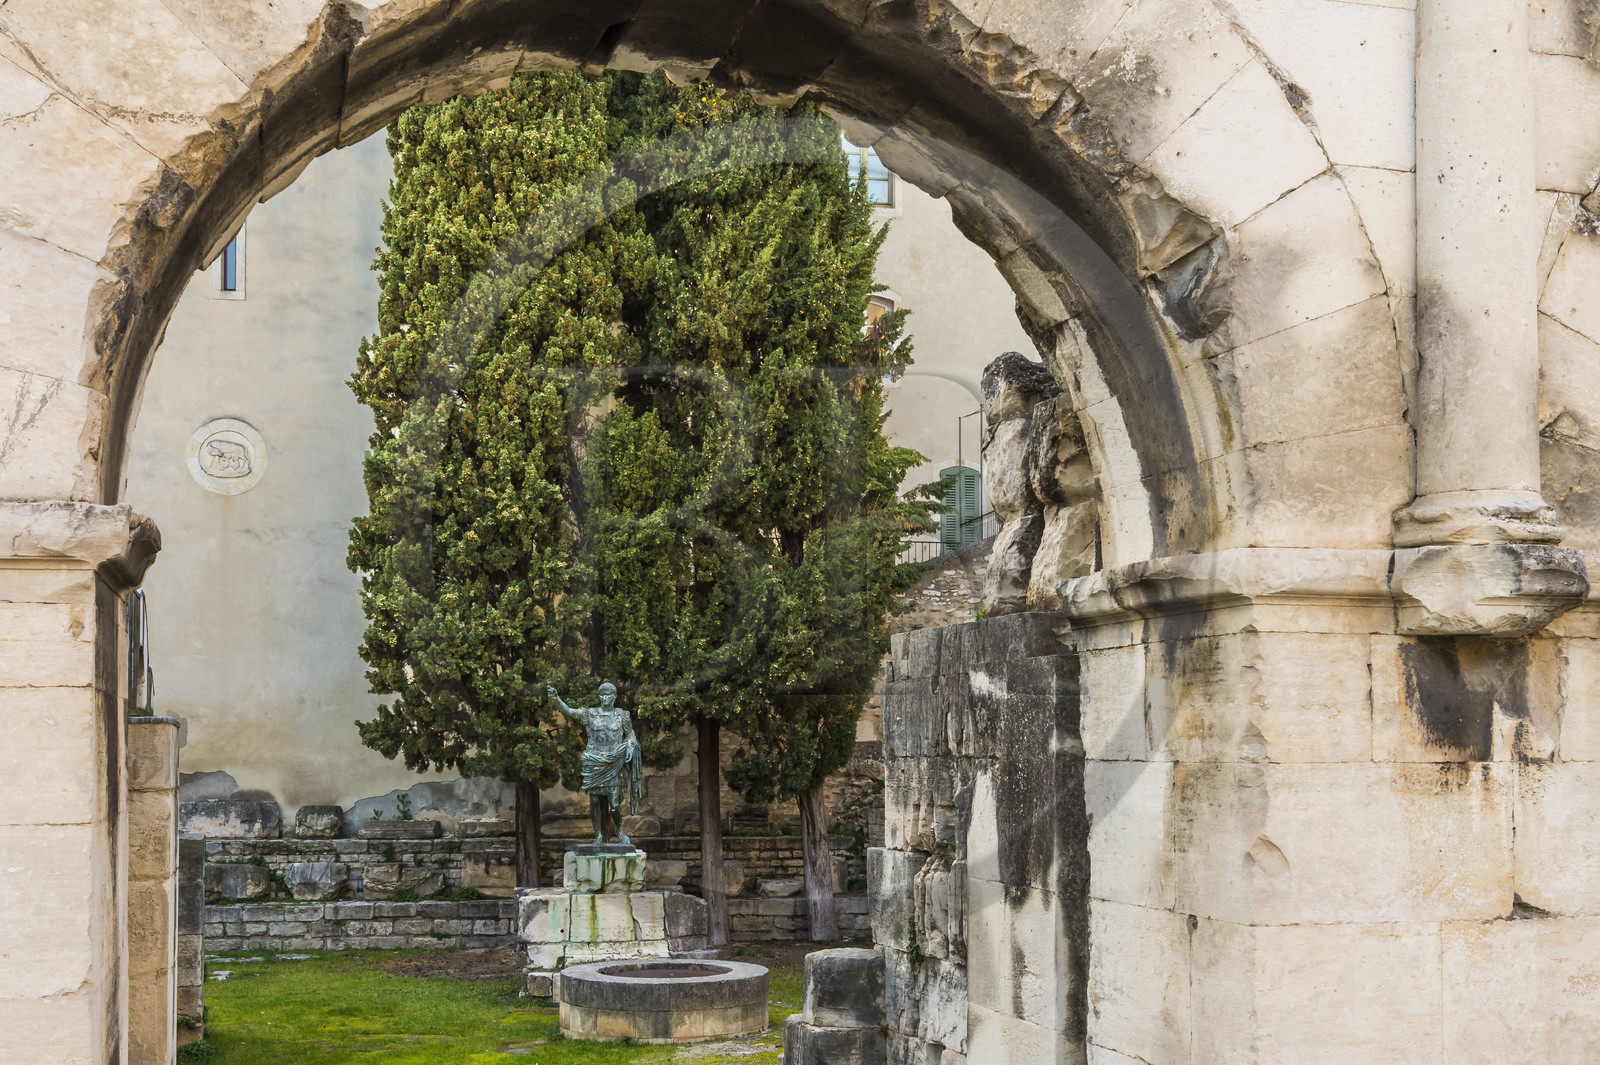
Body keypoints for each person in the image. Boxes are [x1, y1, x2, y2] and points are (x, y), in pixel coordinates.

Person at [546, 682, 643, 846]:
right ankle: (598, 835)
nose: (605, 698)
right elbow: (569, 712)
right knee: (595, 801)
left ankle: (619, 831)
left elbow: (631, 735)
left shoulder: (622, 715)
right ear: (599, 696)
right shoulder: (590, 714)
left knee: (614, 803)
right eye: (602, 695)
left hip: (614, 762)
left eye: (608, 695)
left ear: (614, 697)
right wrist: (556, 699)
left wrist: (631, 746)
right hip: (593, 760)